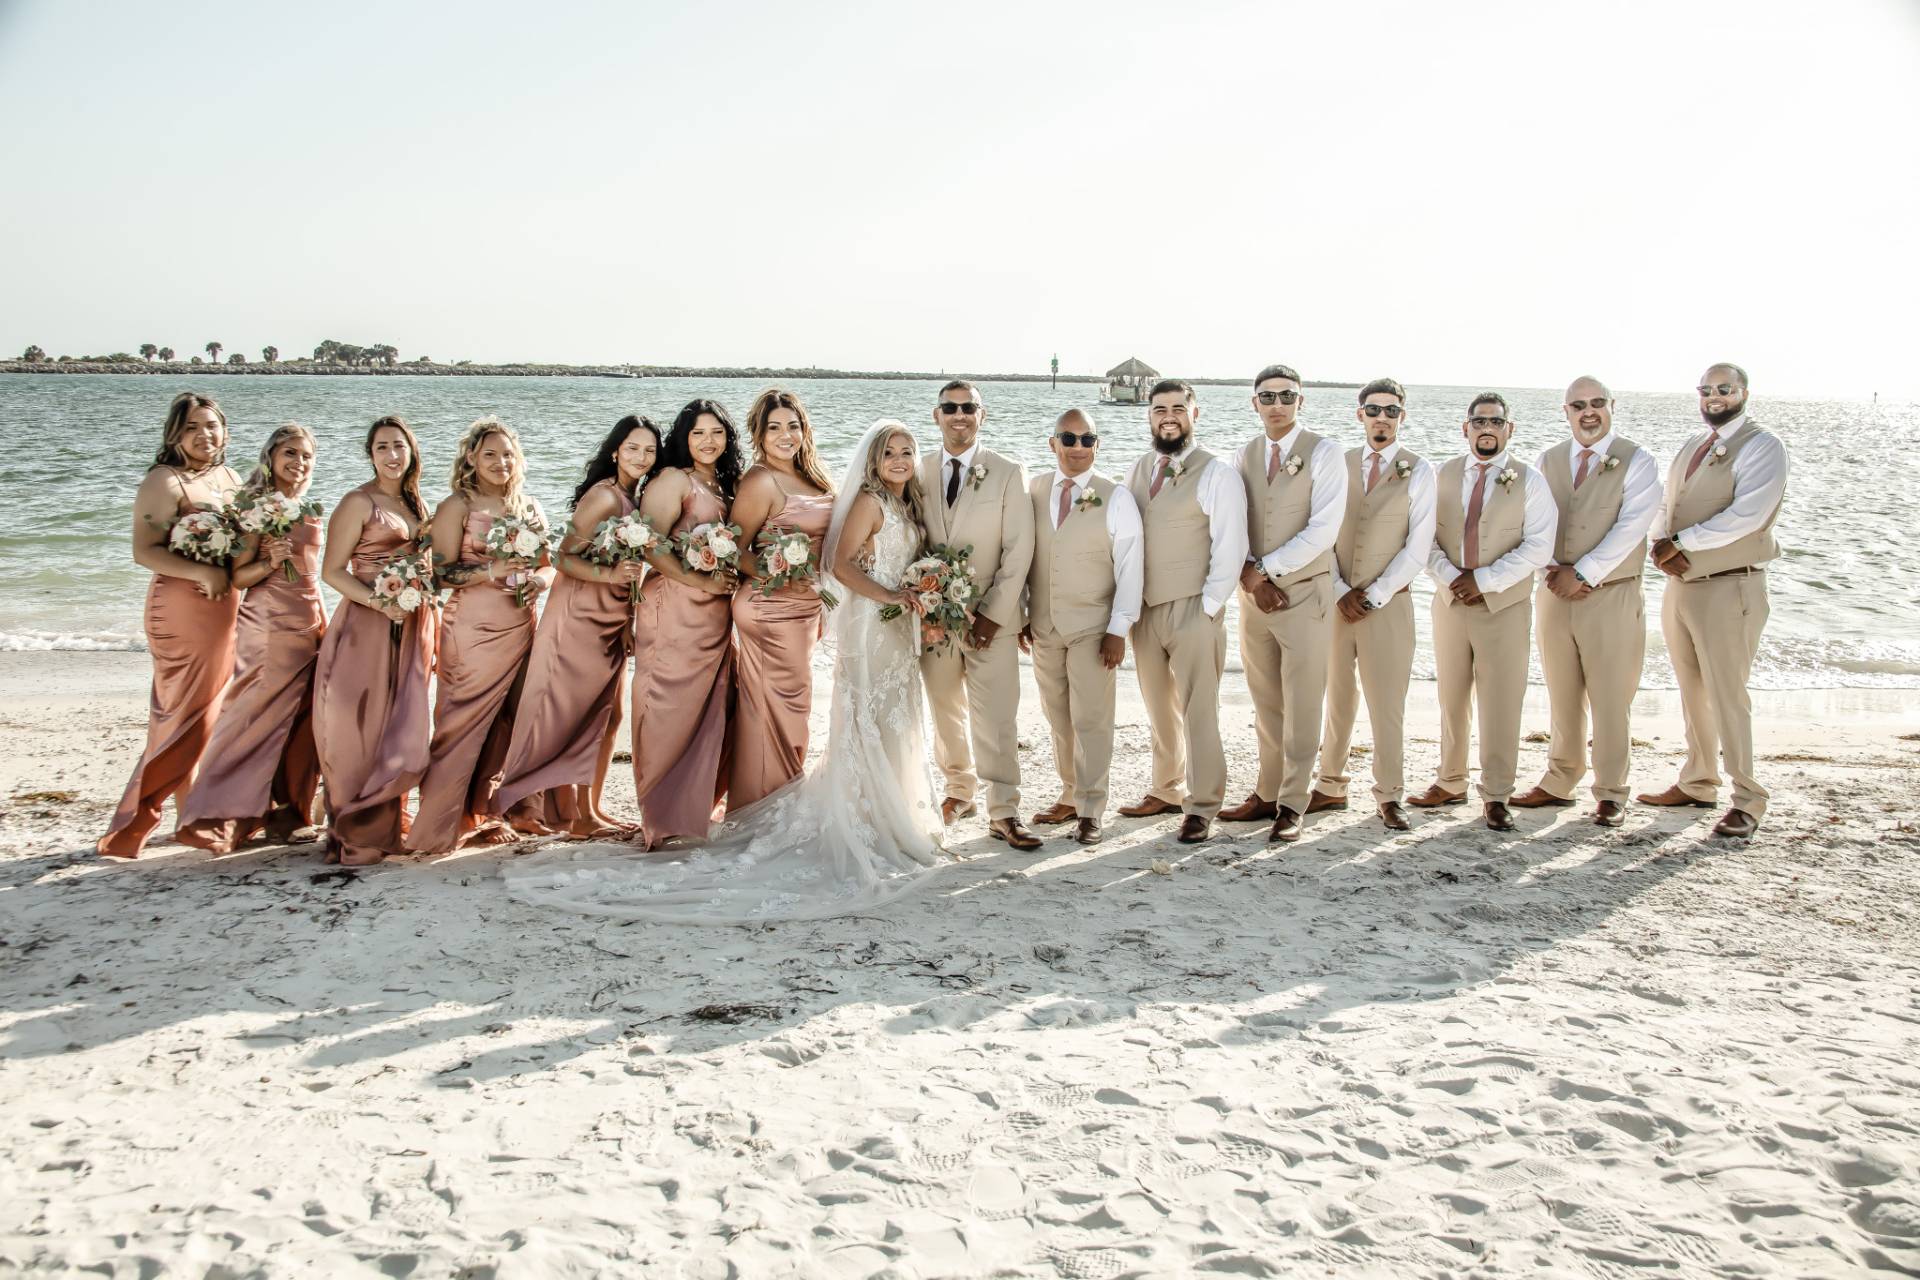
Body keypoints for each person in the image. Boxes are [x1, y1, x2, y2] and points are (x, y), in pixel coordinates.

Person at [503, 420, 944, 924]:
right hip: (729, 609)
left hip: (783, 612)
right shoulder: (706, 481)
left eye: (793, 426)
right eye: (699, 433)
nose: (784, 435)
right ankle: (671, 820)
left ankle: (704, 811)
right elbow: (677, 546)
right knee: (688, 706)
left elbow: (784, 548)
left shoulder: (794, 480)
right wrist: (732, 574)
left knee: (724, 709)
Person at [1636, 363, 1788, 839]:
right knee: (1692, 690)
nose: (1714, 397)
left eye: (1724, 389)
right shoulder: (1691, 446)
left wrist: (1683, 543)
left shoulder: (1763, 446)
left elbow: (1748, 513)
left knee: (1728, 693)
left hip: (1731, 585)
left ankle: (1748, 796)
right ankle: (1700, 779)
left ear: (1744, 392)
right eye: (1706, 390)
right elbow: (1666, 504)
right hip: (1682, 586)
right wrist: (1660, 542)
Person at [490, 414, 659, 837]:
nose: (642, 456)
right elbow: (563, 558)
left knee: (611, 714)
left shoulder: (635, 500)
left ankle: (592, 808)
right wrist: (609, 577)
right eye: (633, 448)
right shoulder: (603, 497)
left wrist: (628, 616)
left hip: (612, 615)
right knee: (585, 713)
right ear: (616, 451)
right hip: (580, 616)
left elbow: (631, 570)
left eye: (650, 450)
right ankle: (578, 815)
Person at [1509, 377, 1661, 826]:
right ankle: (1560, 778)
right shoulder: (1547, 460)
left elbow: (1632, 526)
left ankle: (1611, 790)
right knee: (1562, 691)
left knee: (1611, 696)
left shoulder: (1639, 460)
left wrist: (1585, 573)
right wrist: (1550, 571)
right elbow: (1531, 522)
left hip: (1610, 594)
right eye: (1579, 405)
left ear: (1611, 406)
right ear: (1566, 411)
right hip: (1555, 590)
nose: (1588, 412)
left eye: (1597, 403)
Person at [98, 392, 244, 859]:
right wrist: (202, 570)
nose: (204, 436)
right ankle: (139, 819)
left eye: (211, 426)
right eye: (192, 428)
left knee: (213, 711)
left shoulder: (230, 478)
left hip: (226, 606)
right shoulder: (164, 481)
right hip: (182, 605)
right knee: (183, 711)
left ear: (224, 429)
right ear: (175, 435)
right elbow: (145, 550)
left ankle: (194, 814)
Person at [176, 423, 327, 853]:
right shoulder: (255, 506)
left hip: (311, 616)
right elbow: (239, 577)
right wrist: (270, 561)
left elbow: (314, 570)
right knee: (256, 715)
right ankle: (220, 812)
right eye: (290, 454)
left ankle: (288, 813)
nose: (298, 463)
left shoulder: (306, 505)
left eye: (306, 456)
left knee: (305, 718)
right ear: (272, 458)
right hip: (270, 623)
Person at [1411, 392, 1557, 831]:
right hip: (1451, 602)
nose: (1486, 428)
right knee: (1451, 696)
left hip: (1505, 606)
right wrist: (1450, 578)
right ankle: (1450, 780)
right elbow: (1425, 537)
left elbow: (1539, 545)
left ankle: (1496, 794)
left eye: (1495, 421)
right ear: (1466, 429)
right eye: (1478, 421)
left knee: (1501, 700)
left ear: (1509, 429)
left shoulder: (1529, 480)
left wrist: (1485, 580)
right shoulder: (1442, 476)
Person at [407, 418, 552, 854]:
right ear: (471, 457)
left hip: (520, 624)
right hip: (470, 629)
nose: (500, 462)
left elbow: (547, 563)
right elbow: (442, 572)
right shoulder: (458, 506)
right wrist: (492, 569)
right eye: (489, 454)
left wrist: (541, 582)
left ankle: (498, 812)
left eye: (507, 454)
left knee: (515, 720)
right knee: (461, 724)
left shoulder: (528, 507)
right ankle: (444, 822)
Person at [1117, 379, 1250, 843]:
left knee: (1198, 710)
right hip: (1146, 610)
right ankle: (1166, 788)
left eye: (1178, 407)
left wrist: (1209, 607)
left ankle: (1203, 803)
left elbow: (1231, 546)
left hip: (1195, 606)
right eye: (1159, 409)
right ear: (1148, 415)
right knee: (1158, 707)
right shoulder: (1137, 469)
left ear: (1196, 414)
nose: (1167, 415)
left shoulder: (1217, 474)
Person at [1219, 364, 1348, 844]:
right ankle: (1267, 792)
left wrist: (1266, 570)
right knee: (1265, 699)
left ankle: (1294, 802)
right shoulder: (1242, 455)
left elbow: (1324, 529)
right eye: (1267, 397)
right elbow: (1232, 523)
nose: (1277, 404)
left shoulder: (1325, 453)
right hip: (1254, 596)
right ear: (1254, 402)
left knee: (1302, 699)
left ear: (1301, 401)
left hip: (1305, 594)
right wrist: (1249, 577)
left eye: (1286, 396)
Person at [1310, 379, 1436, 832]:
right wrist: (1340, 588)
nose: (1382, 417)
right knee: (1337, 698)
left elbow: (1419, 547)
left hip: (1390, 606)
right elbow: (1320, 531)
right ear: (1358, 413)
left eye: (1391, 410)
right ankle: (1328, 785)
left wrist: (1375, 594)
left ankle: (1389, 794)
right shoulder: (1336, 465)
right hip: (1336, 602)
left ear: (1403, 416)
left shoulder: (1419, 471)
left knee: (1388, 703)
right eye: (1374, 409)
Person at [917, 381, 1038, 847]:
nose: (959, 415)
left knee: (997, 715)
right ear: (937, 415)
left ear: (981, 416)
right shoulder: (918, 470)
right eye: (951, 408)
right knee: (945, 708)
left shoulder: (1008, 471)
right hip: (935, 618)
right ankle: (958, 789)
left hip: (994, 618)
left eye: (969, 408)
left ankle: (1004, 809)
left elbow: (1019, 547)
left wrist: (995, 613)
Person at [312, 416, 436, 866]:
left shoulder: (414, 504)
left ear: (411, 452)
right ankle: (353, 829)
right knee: (358, 725)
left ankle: (385, 824)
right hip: (365, 626)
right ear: (371, 453)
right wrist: (378, 603)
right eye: (383, 447)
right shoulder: (358, 502)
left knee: (396, 724)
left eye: (399, 446)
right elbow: (332, 571)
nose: (392, 455)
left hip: (408, 624)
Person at [1018, 408, 1144, 846]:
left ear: (1097, 445)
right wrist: (1021, 614)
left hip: (1094, 625)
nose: (1077, 448)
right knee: (1058, 715)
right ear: (1052, 444)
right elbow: (1018, 556)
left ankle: (1092, 808)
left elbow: (1131, 566)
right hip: (1044, 625)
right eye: (1068, 439)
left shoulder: (1117, 497)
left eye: (1086, 439)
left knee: (1092, 718)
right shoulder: (1032, 490)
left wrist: (1119, 628)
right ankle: (1070, 794)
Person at [629, 398, 743, 847]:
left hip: (713, 614)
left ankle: (693, 806)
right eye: (698, 433)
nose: (708, 441)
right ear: (683, 437)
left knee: (706, 707)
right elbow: (649, 545)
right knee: (666, 707)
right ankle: (661, 818)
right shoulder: (673, 479)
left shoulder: (724, 483)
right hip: (672, 606)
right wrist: (700, 580)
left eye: (717, 432)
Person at [728, 388, 836, 807]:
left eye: (792, 426)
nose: (785, 435)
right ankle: (765, 804)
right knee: (778, 708)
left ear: (804, 429)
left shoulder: (815, 476)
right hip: (769, 607)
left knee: (792, 705)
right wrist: (776, 569)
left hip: (806, 607)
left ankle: (778, 796)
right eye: (774, 428)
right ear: (759, 433)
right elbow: (735, 550)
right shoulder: (760, 481)